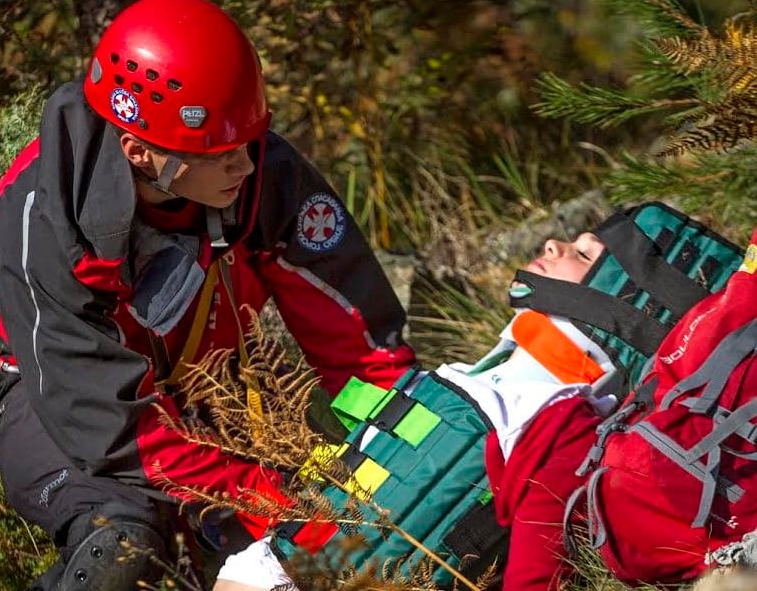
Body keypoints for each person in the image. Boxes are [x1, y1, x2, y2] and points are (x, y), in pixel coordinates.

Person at [0, 0, 415, 590]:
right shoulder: (40, 228)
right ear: (139, 152)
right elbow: (114, 431)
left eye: (249, 142)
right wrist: (272, 497)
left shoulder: (257, 169)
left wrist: (402, 451)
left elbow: (358, 345)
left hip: (205, 382)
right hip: (55, 398)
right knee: (124, 547)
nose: (246, 166)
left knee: (320, 556)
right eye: (222, 154)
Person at [211, 204, 744, 591]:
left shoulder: (561, 426)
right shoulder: (480, 380)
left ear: (631, 307)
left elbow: (534, 575)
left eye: (583, 253)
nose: (553, 246)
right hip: (271, 558)